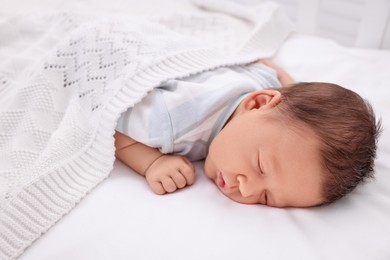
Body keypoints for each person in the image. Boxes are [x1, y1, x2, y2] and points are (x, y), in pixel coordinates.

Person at [114, 59, 380, 208]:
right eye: (260, 166)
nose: (246, 188)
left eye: (266, 198)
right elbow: (108, 117)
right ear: (258, 103)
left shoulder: (267, 94)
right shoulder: (172, 121)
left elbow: (268, 66)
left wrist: (293, 88)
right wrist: (152, 162)